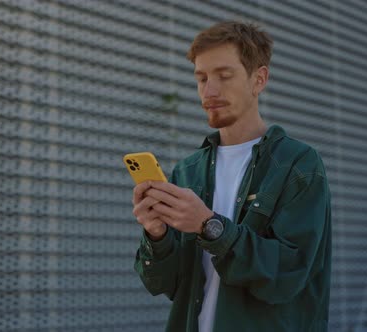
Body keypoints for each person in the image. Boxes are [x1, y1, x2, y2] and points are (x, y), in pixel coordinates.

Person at [133, 21, 331, 332]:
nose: (209, 91)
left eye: (224, 76)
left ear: (259, 79)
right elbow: (166, 284)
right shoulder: (187, 170)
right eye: (201, 78)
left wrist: (209, 227)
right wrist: (156, 235)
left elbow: (287, 275)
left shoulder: (298, 164)